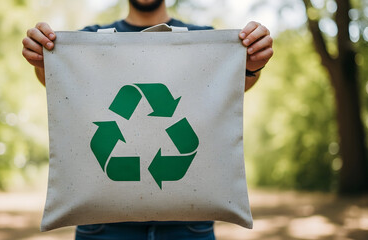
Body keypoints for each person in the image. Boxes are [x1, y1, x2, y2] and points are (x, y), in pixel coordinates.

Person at [22, 0, 273, 239]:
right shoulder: (90, 39)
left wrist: (251, 63)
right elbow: (61, 87)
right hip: (101, 229)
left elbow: (232, 87)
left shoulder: (202, 38)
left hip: (190, 228)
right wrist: (43, 60)